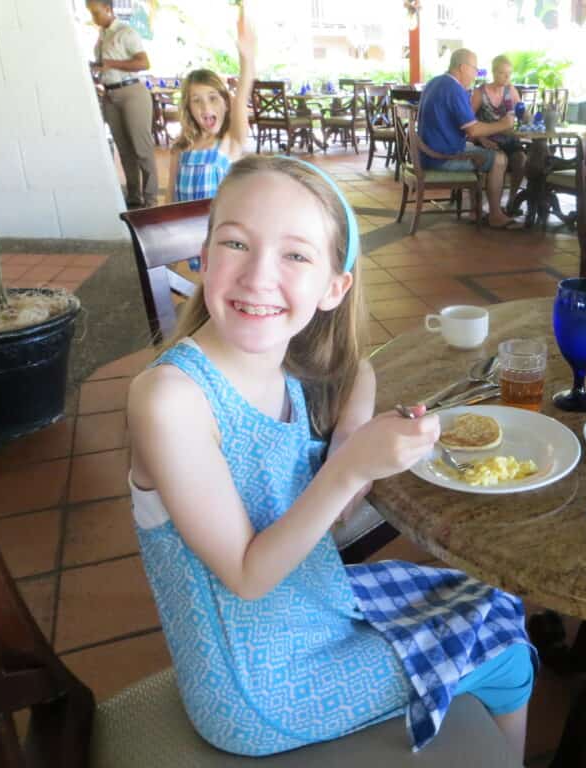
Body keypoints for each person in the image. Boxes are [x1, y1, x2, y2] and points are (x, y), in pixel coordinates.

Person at [126, 155, 534, 758]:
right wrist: (350, 469)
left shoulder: (282, 366)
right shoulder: (170, 398)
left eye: (295, 255)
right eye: (236, 242)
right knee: (505, 648)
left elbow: (357, 370)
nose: (259, 276)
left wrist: (347, 436)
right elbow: (246, 575)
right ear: (205, 258)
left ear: (332, 289)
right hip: (257, 689)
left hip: (314, 610)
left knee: (493, 596)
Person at [418, 49, 519, 229]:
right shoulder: (454, 89)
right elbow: (473, 129)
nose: (475, 74)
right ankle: (495, 215)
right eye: (474, 69)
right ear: (463, 67)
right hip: (442, 157)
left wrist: (482, 137)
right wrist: (505, 124)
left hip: (427, 152)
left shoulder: (435, 82)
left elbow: (464, 127)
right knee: (499, 158)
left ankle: (475, 210)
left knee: (481, 151)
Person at [169, 4, 256, 204]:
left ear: (226, 103)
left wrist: (247, 58)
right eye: (196, 100)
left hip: (217, 231)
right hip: (185, 231)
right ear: (188, 108)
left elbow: (242, 96)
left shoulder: (229, 142)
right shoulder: (180, 148)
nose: (206, 107)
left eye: (213, 98)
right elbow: (169, 198)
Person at [87, 0, 159, 208]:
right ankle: (134, 196)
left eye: (96, 12)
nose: (94, 17)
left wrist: (111, 64)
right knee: (124, 150)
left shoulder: (126, 32)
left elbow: (144, 63)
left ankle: (151, 199)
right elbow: (106, 65)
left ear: (108, 9)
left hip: (132, 93)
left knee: (141, 148)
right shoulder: (102, 36)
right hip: (110, 95)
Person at [470, 55, 527, 210]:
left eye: (509, 73)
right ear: (494, 73)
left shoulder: (511, 90)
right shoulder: (479, 92)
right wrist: (481, 139)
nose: (507, 77)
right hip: (485, 139)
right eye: (503, 73)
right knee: (495, 160)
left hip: (508, 139)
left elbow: (523, 113)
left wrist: (530, 117)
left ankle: (512, 200)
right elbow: (468, 122)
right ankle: (478, 205)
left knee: (521, 159)